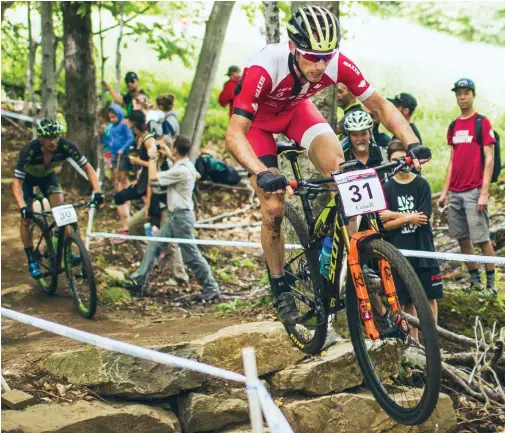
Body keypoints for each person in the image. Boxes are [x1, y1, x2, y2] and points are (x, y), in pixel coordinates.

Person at [225, 5, 431, 324]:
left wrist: (411, 141)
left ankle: (352, 257)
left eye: (326, 57)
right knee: (274, 207)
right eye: (311, 56)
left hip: (295, 112)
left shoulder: (337, 64)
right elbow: (234, 134)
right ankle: (280, 286)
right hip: (257, 127)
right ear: (293, 47)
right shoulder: (264, 67)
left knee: (343, 172)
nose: (320, 65)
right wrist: (261, 172)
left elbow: (381, 106)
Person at [123, 135, 221, 301]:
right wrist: (170, 155)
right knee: (154, 245)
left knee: (191, 255)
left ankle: (211, 287)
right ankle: (138, 281)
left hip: (181, 218)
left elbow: (154, 179)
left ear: (175, 149)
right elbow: (196, 174)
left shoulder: (180, 170)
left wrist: (153, 156)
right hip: (177, 216)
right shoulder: (187, 166)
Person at [12, 118, 104, 278]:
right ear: (40, 138)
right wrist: (22, 207)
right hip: (27, 180)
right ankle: (31, 259)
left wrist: (97, 191)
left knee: (62, 211)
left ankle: (66, 251)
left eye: (55, 137)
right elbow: (17, 182)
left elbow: (88, 167)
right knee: (26, 219)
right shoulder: (30, 151)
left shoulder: (66, 146)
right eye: (48, 138)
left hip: (47, 177)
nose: (52, 141)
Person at [437, 78, 497, 296]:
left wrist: (484, 192)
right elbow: (452, 161)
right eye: (459, 93)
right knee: (462, 238)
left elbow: (489, 159)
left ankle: (491, 285)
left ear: (473, 95)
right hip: (455, 191)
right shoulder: (454, 126)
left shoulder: (482, 123)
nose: (462, 97)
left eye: (466, 93)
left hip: (474, 190)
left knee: (482, 238)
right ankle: (475, 281)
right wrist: (444, 192)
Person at [379, 140, 443, 338]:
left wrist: (393, 214)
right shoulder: (387, 187)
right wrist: (407, 217)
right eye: (394, 160)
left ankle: (432, 338)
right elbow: (384, 223)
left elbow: (422, 217)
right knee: (405, 300)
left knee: (429, 297)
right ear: (388, 161)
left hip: (423, 249)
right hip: (398, 251)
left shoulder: (421, 184)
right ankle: (414, 342)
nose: (399, 164)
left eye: (402, 159)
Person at [113, 110, 156, 243]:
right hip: (142, 180)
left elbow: (155, 164)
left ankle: (151, 236)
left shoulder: (149, 141)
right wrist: (138, 179)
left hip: (151, 181)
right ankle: (127, 228)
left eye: (128, 121)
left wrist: (138, 161)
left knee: (149, 213)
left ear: (133, 123)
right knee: (119, 197)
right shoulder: (137, 138)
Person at [108, 103, 134, 195]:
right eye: (110, 117)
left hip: (122, 154)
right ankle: (119, 192)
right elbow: (110, 139)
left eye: (114, 117)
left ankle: (125, 193)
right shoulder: (111, 127)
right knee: (116, 175)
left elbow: (130, 138)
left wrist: (123, 148)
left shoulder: (124, 125)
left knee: (123, 176)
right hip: (114, 153)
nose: (112, 119)